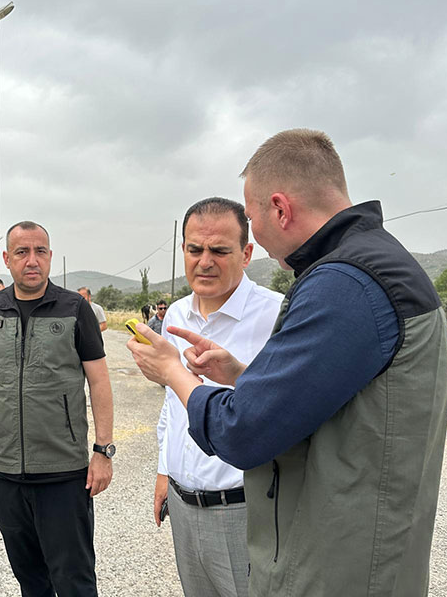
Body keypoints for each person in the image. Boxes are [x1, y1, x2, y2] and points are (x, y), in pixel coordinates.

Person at [127, 129, 447, 596]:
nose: (205, 260)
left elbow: (242, 431)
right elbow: (325, 396)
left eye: (253, 217)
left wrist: (173, 371)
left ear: (279, 209)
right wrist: (241, 375)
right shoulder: (369, 267)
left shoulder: (345, 284)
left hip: (339, 562)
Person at [0, 221, 114, 597]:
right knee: (30, 579)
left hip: (63, 473)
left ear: (49, 256)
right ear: (6, 259)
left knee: (74, 579)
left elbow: (99, 381)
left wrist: (103, 451)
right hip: (4, 473)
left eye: (40, 251)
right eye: (23, 252)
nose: (32, 261)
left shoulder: (75, 309)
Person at [155, 197, 282, 597]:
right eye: (195, 249)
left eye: (219, 250)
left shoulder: (277, 316)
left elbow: (281, 410)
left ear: (246, 254)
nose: (204, 261)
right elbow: (173, 404)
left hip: (246, 508)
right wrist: (164, 471)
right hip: (182, 504)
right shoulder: (175, 315)